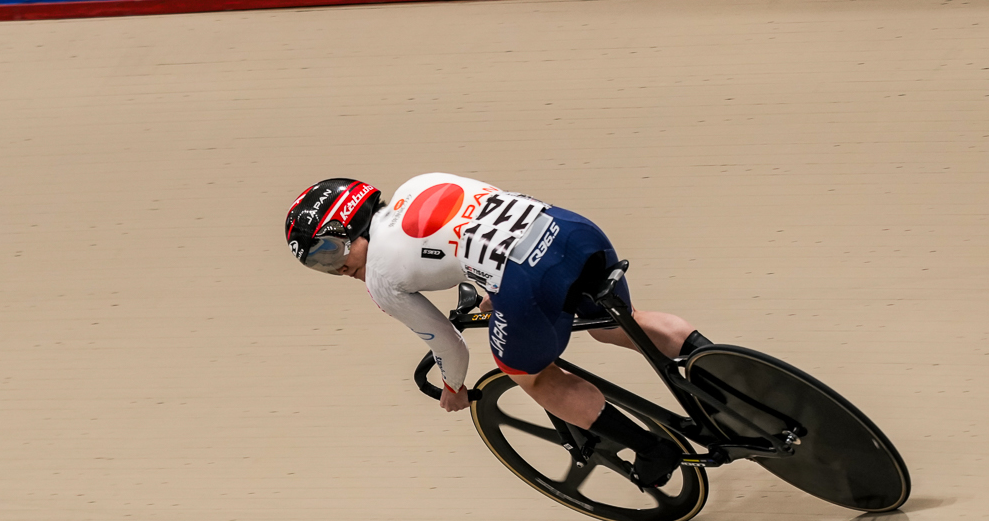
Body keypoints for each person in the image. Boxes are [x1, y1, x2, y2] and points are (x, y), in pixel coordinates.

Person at [284, 174, 710, 488]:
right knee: (618, 322)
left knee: (531, 375)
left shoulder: (379, 276)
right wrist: (497, 286)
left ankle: (652, 449)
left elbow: (450, 347)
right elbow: (495, 219)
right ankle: (720, 374)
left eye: (329, 252)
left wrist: (453, 387)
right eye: (319, 266)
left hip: (526, 278)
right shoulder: (420, 183)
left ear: (349, 224)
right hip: (571, 230)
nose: (337, 269)